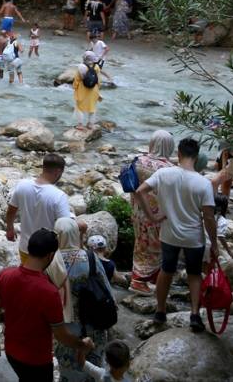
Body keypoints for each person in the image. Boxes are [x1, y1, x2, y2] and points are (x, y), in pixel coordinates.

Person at [0, 229, 95, 382]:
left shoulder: (5, 275)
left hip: (11, 352)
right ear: (51, 255)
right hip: (37, 361)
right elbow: (61, 335)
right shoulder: (49, 292)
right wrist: (81, 344)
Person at [133, 137, 216, 332]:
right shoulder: (203, 183)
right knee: (195, 274)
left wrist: (152, 217)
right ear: (196, 157)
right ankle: (195, 315)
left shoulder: (164, 174)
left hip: (169, 234)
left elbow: (139, 191)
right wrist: (214, 242)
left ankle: (160, 311)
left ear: (178, 154)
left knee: (166, 270)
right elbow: (209, 217)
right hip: (194, 237)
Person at [53, 216, 116, 382]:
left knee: (68, 370)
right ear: (75, 234)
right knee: (94, 370)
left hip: (67, 328)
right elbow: (106, 289)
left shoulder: (52, 261)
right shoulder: (90, 257)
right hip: (94, 323)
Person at [128, 130, 175, 295]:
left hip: (137, 211)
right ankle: (139, 280)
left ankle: (148, 277)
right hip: (157, 215)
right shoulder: (169, 168)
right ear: (169, 146)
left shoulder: (137, 161)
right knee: (155, 247)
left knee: (141, 243)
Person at [6, 154, 72, 264]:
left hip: (25, 248)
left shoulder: (22, 185)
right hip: (47, 254)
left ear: (44, 167)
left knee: (28, 277)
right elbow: (65, 229)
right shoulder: (59, 196)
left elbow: (11, 210)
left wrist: (10, 229)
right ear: (58, 172)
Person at [73, 51, 102, 130]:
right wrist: (98, 89)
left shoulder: (81, 67)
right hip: (94, 90)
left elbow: (76, 80)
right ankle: (90, 124)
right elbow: (99, 80)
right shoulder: (96, 67)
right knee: (92, 108)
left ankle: (80, 125)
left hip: (82, 90)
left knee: (80, 108)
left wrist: (75, 87)